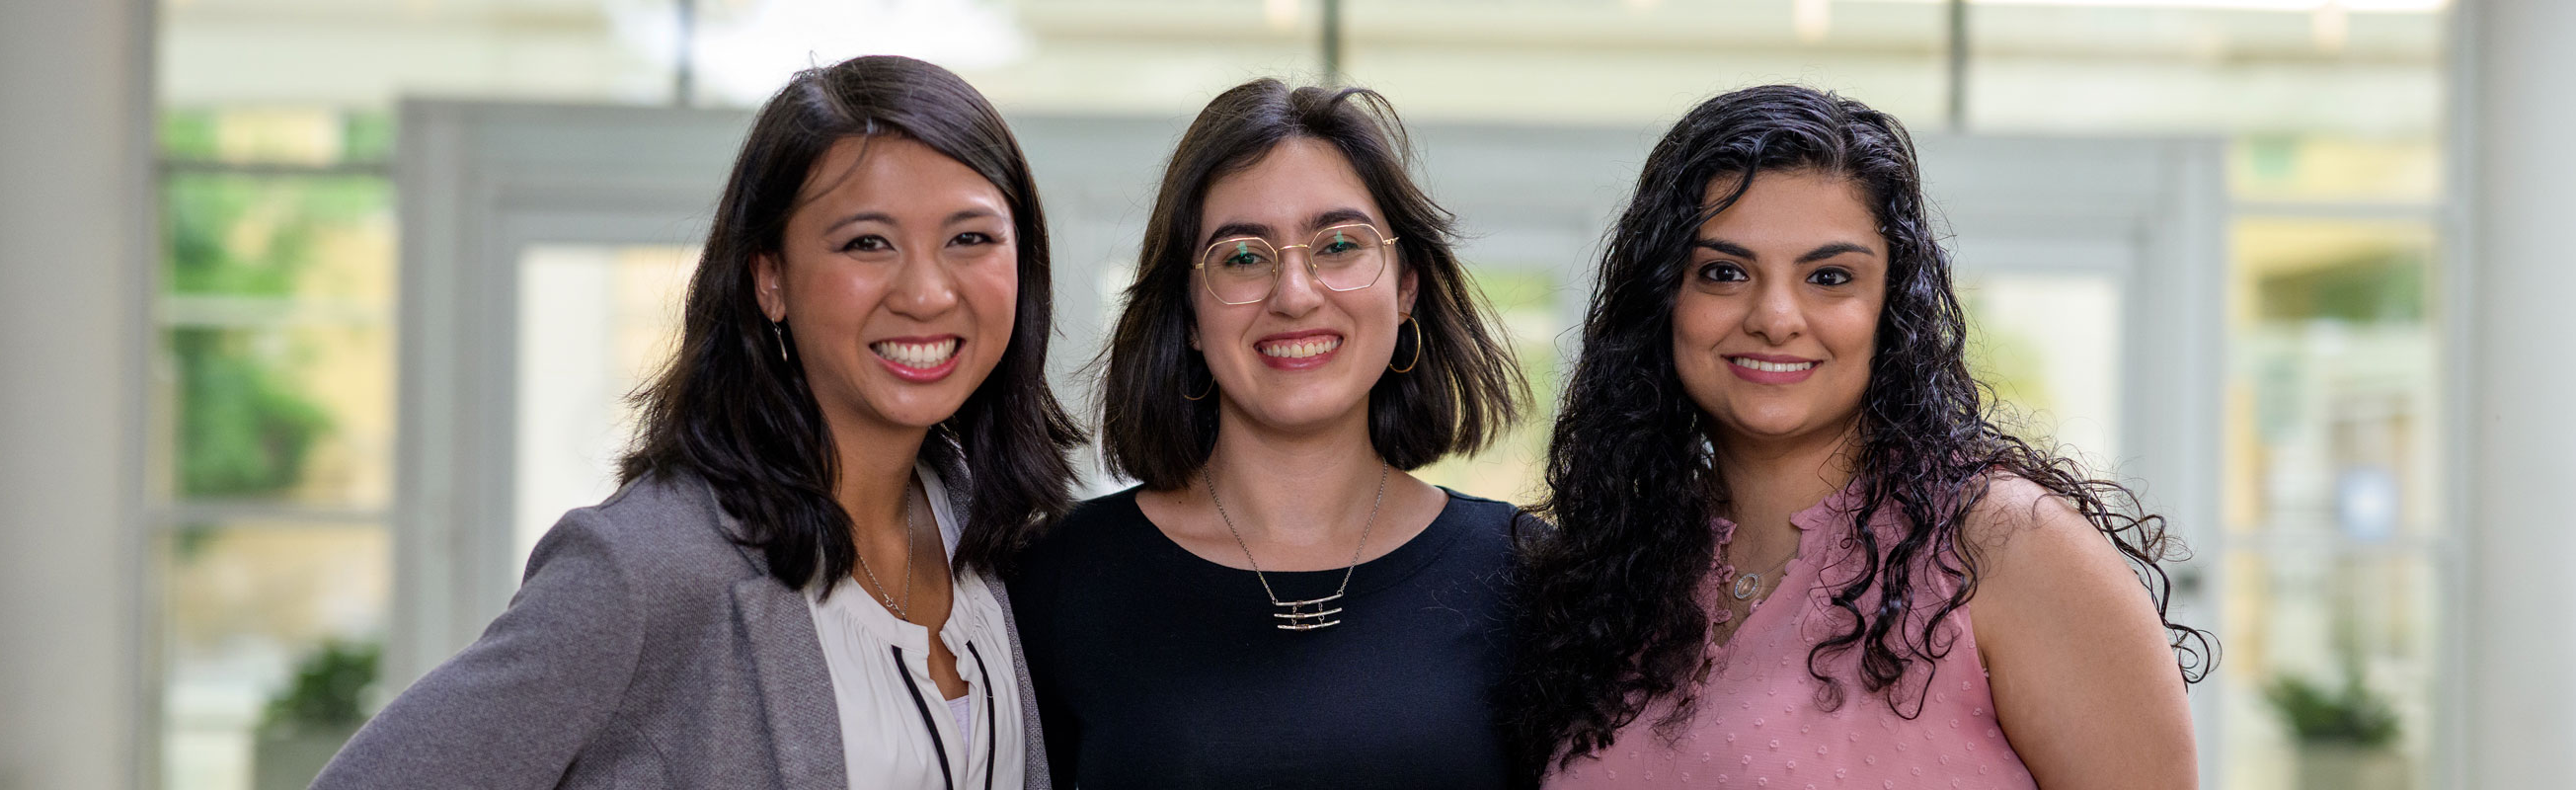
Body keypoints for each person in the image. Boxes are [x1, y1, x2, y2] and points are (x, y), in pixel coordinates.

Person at [313, 54, 1083, 789]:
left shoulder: (1009, 540)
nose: (926, 291)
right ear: (770, 279)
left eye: (970, 238)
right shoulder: (646, 569)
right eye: (867, 243)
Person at [1505, 85, 2214, 789]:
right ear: (1663, 300)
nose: (1776, 316)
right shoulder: (1617, 573)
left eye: (1829, 277)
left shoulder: (2006, 545)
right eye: (1723, 272)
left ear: (1891, 308)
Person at [1006, 78, 1534, 789]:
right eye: (1243, 257)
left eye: (1339, 245)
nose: (1294, 294)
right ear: (1189, 316)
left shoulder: (1527, 576)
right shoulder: (1057, 577)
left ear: (1405, 286)